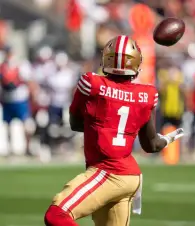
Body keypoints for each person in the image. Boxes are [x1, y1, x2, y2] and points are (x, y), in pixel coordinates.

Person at [44, 35, 184, 226]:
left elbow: (76, 124)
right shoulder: (147, 94)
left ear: (106, 59)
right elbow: (151, 145)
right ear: (136, 63)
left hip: (107, 171)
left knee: (57, 215)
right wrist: (167, 139)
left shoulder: (92, 84)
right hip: (130, 177)